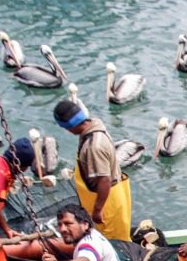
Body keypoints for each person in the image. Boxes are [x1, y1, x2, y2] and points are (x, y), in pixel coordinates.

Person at [53, 99, 132, 241]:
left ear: (70, 126)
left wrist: (98, 210)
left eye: (66, 128)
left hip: (107, 203)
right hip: (103, 196)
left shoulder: (94, 147)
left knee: (112, 241)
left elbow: (104, 180)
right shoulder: (94, 125)